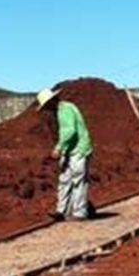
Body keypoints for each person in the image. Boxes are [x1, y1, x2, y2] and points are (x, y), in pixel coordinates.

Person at [37, 87, 93, 221]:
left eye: (46, 106)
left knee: (78, 181)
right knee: (64, 180)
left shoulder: (64, 110)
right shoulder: (62, 109)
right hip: (69, 150)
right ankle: (62, 211)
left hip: (78, 149)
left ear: (50, 102)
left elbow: (69, 131)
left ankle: (79, 212)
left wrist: (59, 148)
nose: (46, 110)